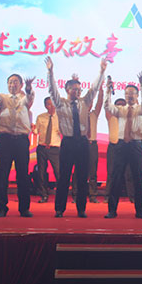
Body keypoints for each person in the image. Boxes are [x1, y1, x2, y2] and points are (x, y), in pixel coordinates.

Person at [46, 56, 107, 218]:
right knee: (64, 177)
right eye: (74, 89)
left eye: (79, 89)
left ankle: (81, 209)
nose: (78, 92)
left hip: (82, 143)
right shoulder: (60, 103)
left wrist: (102, 71)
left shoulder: (84, 102)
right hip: (67, 143)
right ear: (67, 90)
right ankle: (59, 209)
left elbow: (94, 89)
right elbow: (52, 90)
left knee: (82, 177)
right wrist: (50, 72)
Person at [0, 74, 35, 218]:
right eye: (10, 82)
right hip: (5, 140)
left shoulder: (24, 99)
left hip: (21, 140)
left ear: (21, 85)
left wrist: (29, 88)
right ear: (7, 85)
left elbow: (29, 98)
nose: (13, 85)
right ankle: (1, 208)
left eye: (15, 82)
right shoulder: (4, 98)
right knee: (2, 174)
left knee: (23, 175)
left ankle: (24, 208)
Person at [104, 72, 142, 219]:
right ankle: (112, 210)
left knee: (138, 178)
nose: (129, 96)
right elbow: (107, 106)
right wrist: (108, 90)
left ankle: (140, 211)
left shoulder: (141, 109)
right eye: (127, 93)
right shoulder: (120, 110)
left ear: (137, 95)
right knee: (116, 177)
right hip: (121, 145)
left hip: (136, 145)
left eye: (132, 93)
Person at [72, 88, 103, 203]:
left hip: (92, 144)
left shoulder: (94, 114)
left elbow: (100, 103)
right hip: (80, 143)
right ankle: (76, 194)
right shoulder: (78, 114)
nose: (89, 105)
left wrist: (101, 92)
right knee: (77, 170)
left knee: (93, 171)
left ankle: (92, 195)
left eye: (91, 103)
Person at [33, 97, 61, 203]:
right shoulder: (40, 117)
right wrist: (33, 129)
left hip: (55, 148)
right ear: (45, 106)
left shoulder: (60, 117)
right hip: (42, 147)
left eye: (53, 104)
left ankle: (60, 195)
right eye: (49, 104)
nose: (52, 106)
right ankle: (44, 195)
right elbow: (36, 131)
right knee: (41, 172)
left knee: (58, 172)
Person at [104, 97, 126, 203]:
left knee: (129, 173)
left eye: (122, 105)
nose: (120, 107)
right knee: (111, 172)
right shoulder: (111, 116)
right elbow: (106, 106)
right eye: (118, 105)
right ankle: (108, 195)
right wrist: (107, 91)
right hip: (113, 146)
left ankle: (132, 196)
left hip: (126, 146)